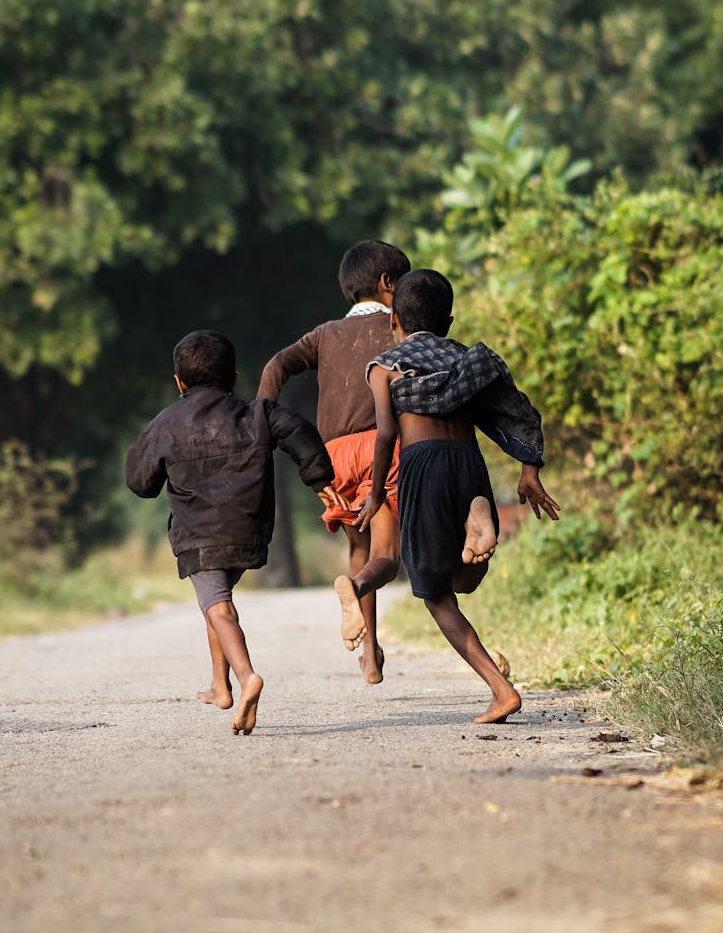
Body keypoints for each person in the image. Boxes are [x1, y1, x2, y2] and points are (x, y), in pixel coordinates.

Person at [350, 269, 561, 724]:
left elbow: (386, 432)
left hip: (422, 467)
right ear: (448, 321)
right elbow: (519, 409)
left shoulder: (385, 366)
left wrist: (374, 493)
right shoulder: (468, 359)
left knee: (436, 594)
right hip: (468, 465)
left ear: (394, 321)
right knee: (464, 580)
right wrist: (529, 470)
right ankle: (478, 511)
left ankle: (501, 691)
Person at [126, 329, 346, 737]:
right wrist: (318, 479)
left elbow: (140, 482)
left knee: (218, 607)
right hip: (249, 530)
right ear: (233, 377)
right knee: (216, 602)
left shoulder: (167, 423)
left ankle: (246, 678)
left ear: (179, 382)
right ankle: (219, 686)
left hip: (198, 537)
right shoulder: (258, 413)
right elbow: (298, 431)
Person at [257, 239, 411, 684]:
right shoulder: (400, 327)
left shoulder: (323, 334)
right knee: (386, 556)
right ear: (388, 284)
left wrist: (262, 423)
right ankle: (356, 589)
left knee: (358, 549)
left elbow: (275, 366)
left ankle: (370, 654)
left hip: (334, 458)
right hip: (384, 451)